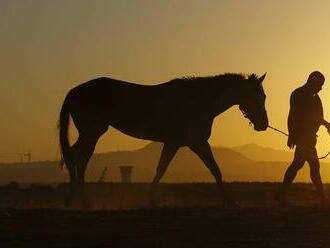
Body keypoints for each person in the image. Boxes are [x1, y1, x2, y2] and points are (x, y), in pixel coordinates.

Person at [276, 71, 330, 205]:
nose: (321, 88)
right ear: (313, 82)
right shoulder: (298, 95)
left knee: (297, 165)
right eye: (320, 85)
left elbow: (318, 118)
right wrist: (292, 135)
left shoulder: (315, 98)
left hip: (310, 138)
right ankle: (323, 198)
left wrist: (327, 125)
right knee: (314, 166)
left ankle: (281, 195)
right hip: (302, 138)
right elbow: (292, 115)